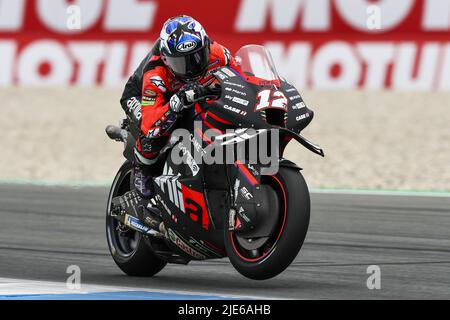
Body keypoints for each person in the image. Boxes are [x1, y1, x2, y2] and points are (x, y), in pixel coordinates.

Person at [120, 15, 240, 205]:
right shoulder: (156, 73)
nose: (192, 67)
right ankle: (142, 169)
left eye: (197, 57)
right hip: (142, 97)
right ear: (167, 60)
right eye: (182, 62)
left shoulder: (219, 54)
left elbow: (242, 80)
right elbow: (151, 124)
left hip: (190, 94)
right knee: (154, 132)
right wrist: (175, 103)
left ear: (207, 46)